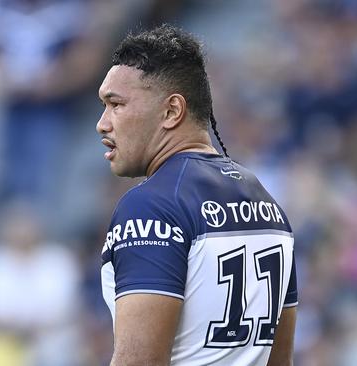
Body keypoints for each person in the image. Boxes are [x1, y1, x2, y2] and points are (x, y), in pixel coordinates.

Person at [96, 25, 298, 365]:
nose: (103, 123)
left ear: (172, 111)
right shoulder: (268, 203)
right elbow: (280, 360)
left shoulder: (151, 206)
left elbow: (139, 361)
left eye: (116, 104)